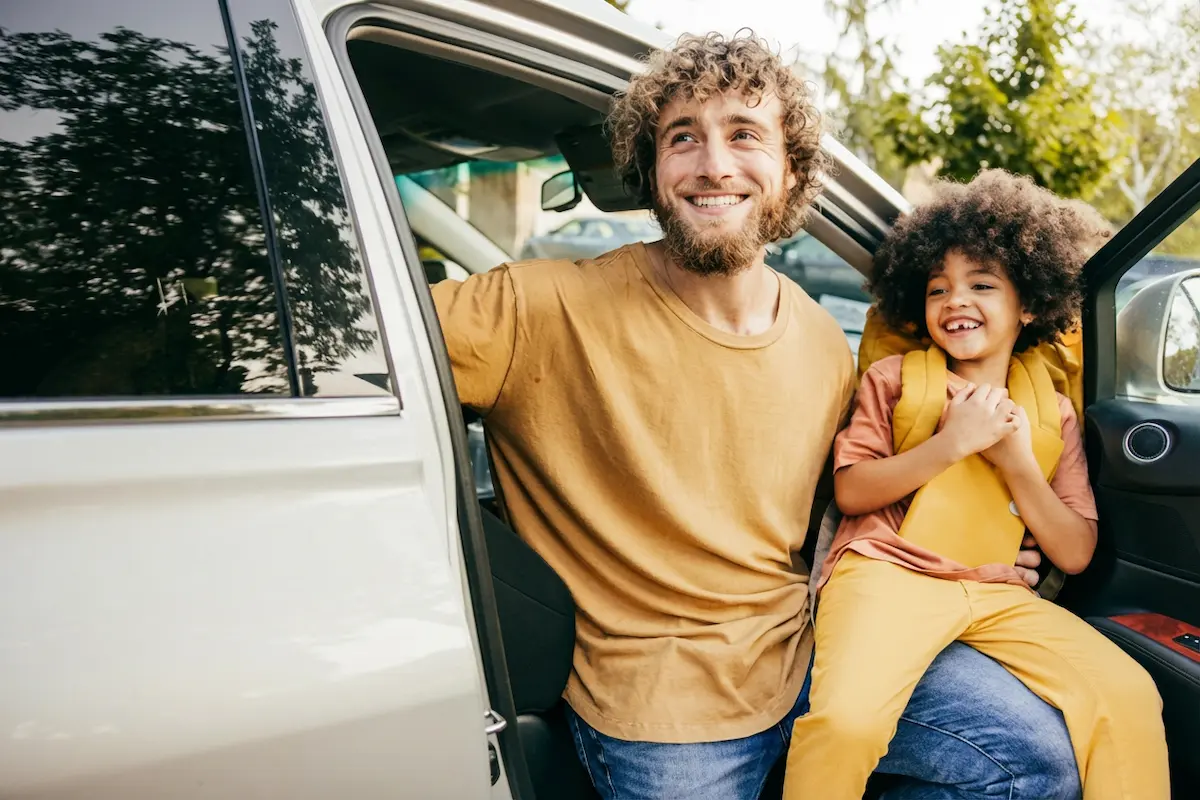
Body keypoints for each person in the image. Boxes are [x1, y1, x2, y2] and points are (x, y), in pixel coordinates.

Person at [432, 32, 1083, 800]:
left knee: (1032, 762)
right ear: (649, 166)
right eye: (683, 138)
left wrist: (968, 567)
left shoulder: (818, 336)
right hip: (658, 701)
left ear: (792, 171)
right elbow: (336, 345)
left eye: (745, 135)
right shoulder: (530, 307)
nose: (713, 164)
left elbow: (845, 506)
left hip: (810, 645)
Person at [784, 170, 1170, 800]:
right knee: (848, 722)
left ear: (1031, 304)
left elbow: (1073, 552)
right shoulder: (895, 379)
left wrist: (1017, 462)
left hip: (992, 588)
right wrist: (950, 443)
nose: (955, 300)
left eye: (982, 285)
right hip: (887, 573)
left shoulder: (1053, 414)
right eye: (938, 289)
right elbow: (852, 491)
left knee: (1127, 695)